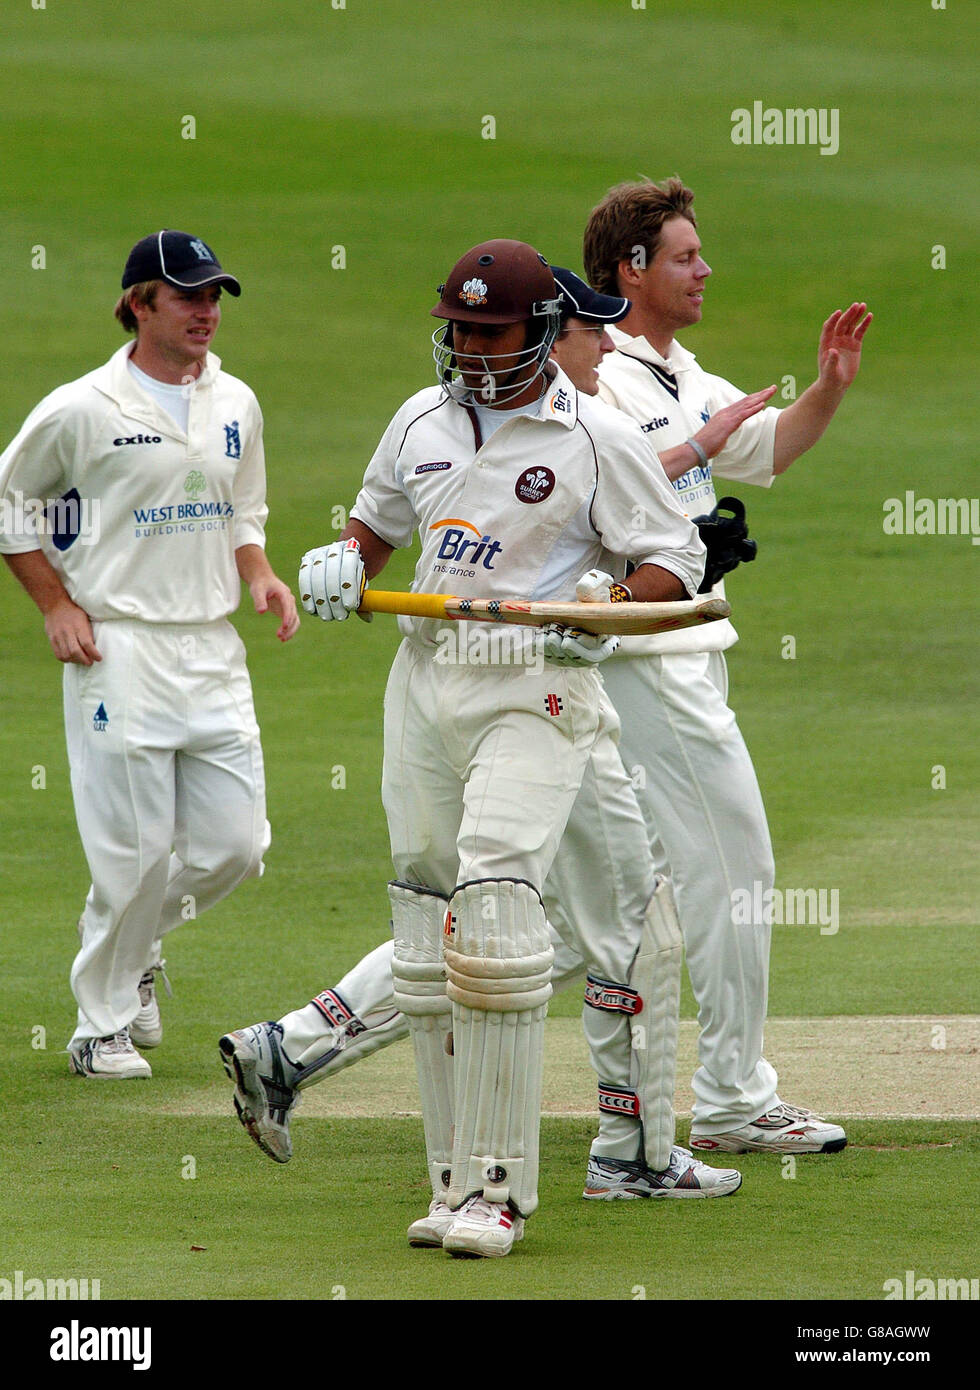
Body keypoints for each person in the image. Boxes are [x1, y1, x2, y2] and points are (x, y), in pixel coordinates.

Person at [219, 266, 745, 1225]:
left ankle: (596, 1159)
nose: (469, 349)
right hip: (430, 677)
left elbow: (676, 555)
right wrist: (344, 565)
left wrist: (611, 611)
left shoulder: (596, 436)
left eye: (490, 333)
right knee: (456, 925)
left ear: (540, 333)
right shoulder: (420, 418)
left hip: (539, 679)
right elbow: (376, 526)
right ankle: (472, 1174)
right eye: (458, 331)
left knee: (563, 917)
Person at [583, 176, 871, 1152]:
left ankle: (309, 1035)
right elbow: (597, 482)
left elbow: (767, 449)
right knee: (737, 862)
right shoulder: (598, 373)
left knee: (584, 892)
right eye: (683, 256)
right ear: (632, 270)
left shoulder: (679, 371)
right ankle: (734, 1097)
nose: (703, 269)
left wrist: (825, 387)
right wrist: (696, 446)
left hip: (691, 651)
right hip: (646, 652)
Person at [0, 230, 299, 1080]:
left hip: (210, 645)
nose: (206, 312)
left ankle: (136, 948)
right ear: (139, 304)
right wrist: (56, 603)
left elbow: (244, 507)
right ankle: (100, 1026)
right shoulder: (80, 408)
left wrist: (261, 574)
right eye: (187, 297)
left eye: (214, 297)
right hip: (118, 646)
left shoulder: (235, 401)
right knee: (132, 852)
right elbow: (8, 504)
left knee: (236, 847)